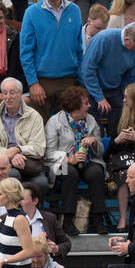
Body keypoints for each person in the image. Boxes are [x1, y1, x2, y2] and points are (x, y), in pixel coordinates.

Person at [19, 0, 84, 122]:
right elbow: (25, 52)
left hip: (69, 81)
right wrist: (33, 83)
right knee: (41, 132)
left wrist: (79, 81)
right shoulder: (31, 13)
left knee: (68, 130)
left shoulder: (74, 11)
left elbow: (79, 49)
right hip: (42, 83)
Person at [45, 85, 108, 236]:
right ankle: (67, 220)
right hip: (61, 163)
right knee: (70, 174)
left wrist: (94, 142)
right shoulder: (55, 122)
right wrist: (70, 160)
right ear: (75, 106)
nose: (89, 106)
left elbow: (100, 152)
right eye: (86, 103)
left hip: (88, 160)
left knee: (96, 172)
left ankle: (99, 219)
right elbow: (48, 154)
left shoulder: (91, 120)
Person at [79, 22, 135, 137]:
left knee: (118, 124)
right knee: (95, 128)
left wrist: (125, 96)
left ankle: (114, 147)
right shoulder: (104, 39)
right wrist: (99, 97)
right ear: (126, 39)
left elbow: (130, 76)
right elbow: (88, 70)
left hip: (115, 88)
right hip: (91, 86)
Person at [0, 77, 46, 185]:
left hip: (28, 162)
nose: (8, 97)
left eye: (12, 93)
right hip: (4, 163)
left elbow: (39, 148)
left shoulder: (34, 116)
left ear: (20, 94)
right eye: (5, 93)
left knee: (41, 182)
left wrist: (18, 149)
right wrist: (11, 155)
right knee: (12, 175)